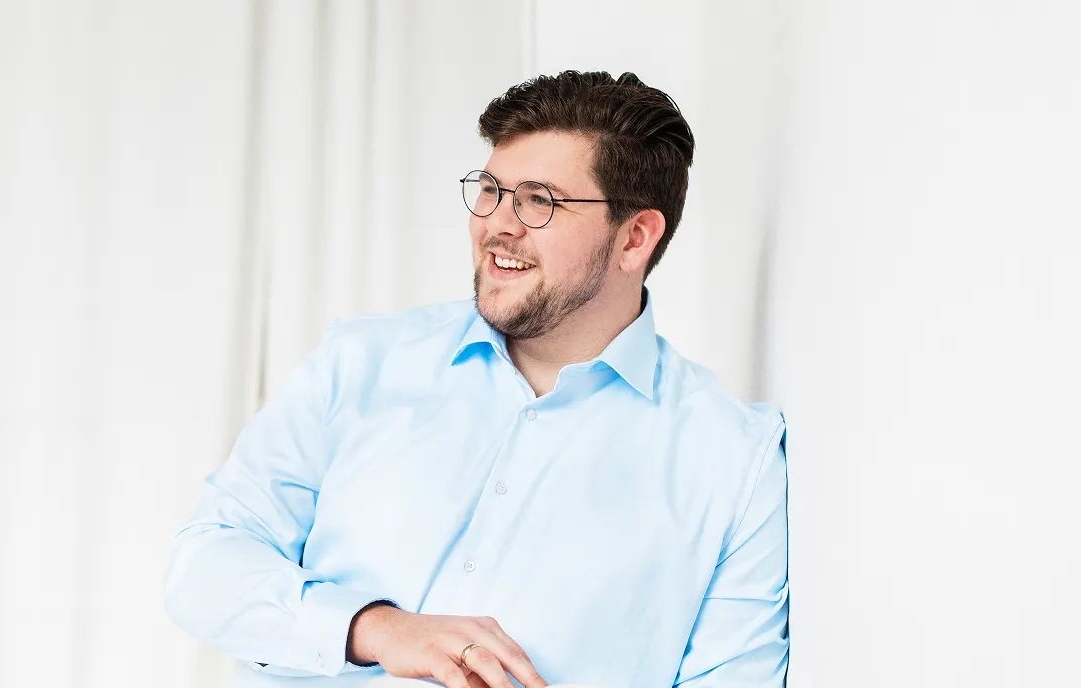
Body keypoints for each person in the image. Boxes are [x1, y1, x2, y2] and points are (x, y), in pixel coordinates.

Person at [165, 70, 788, 688]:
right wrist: (376, 629)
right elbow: (205, 567)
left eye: (539, 201)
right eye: (490, 190)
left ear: (634, 238)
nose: (497, 224)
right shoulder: (359, 364)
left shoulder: (735, 459)